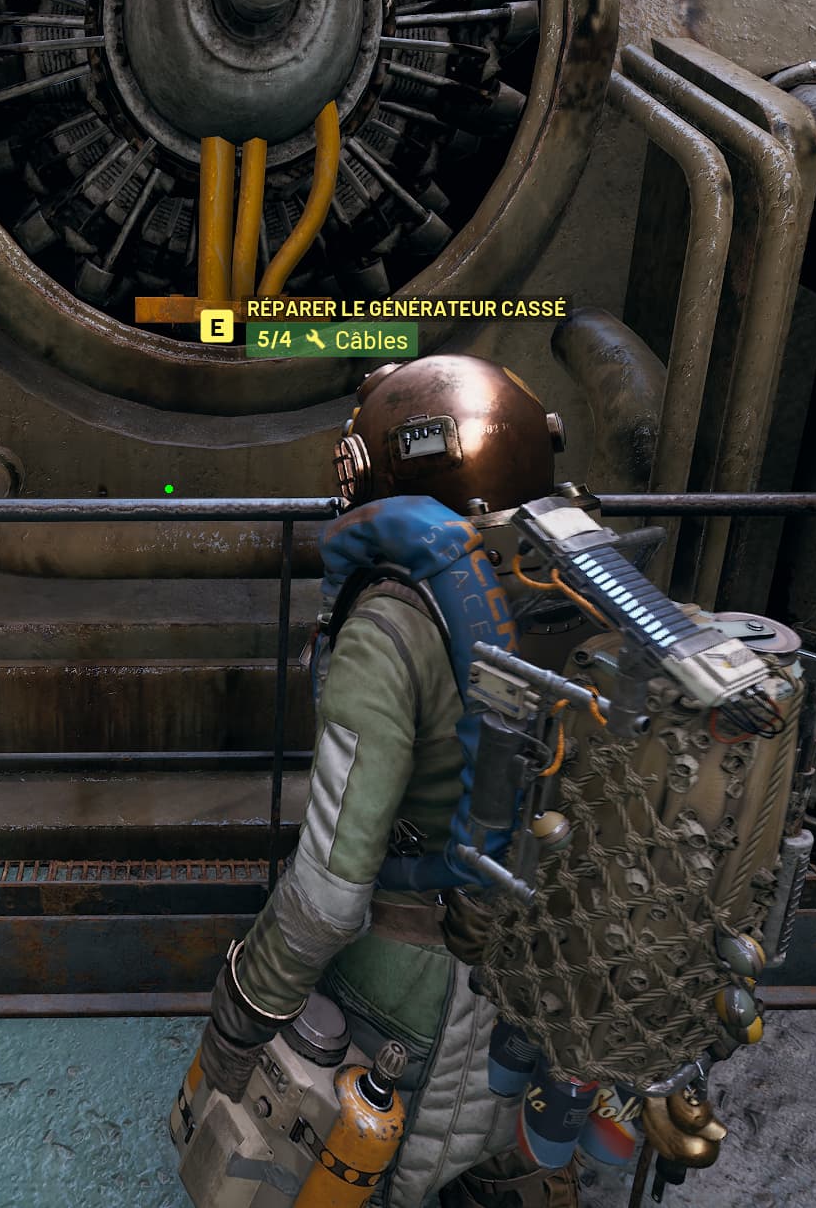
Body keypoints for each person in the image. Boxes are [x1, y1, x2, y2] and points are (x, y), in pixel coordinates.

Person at [194, 354, 602, 1208]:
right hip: (551, 969)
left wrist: (243, 1011)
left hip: (413, 989)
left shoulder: (390, 625)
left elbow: (329, 893)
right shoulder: (573, 581)